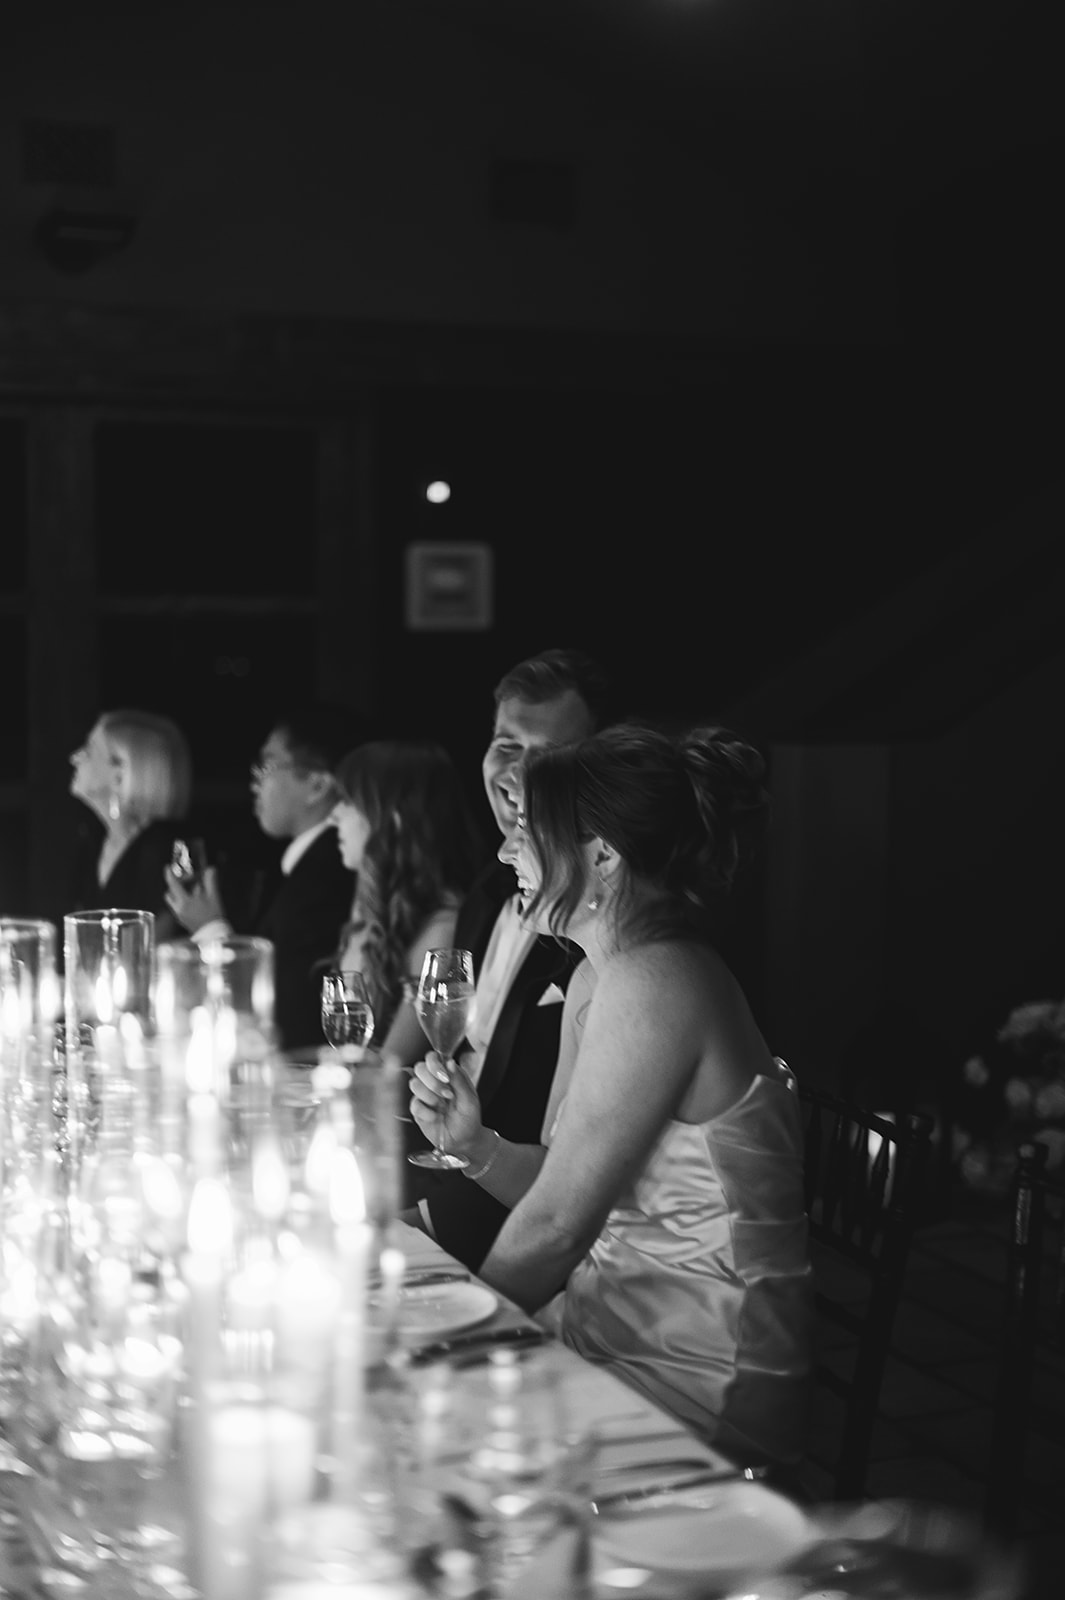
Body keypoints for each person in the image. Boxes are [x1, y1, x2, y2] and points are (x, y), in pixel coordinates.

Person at [409, 723, 814, 1470]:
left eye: (528, 834)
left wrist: (448, 1346)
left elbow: (560, 1226)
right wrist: (477, 1149)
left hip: (696, 1373)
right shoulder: (602, 976)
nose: (505, 853)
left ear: (600, 855)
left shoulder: (655, 982)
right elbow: (571, 1190)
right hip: (609, 1328)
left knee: (438, 1448)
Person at [403, 646, 617, 1268]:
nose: (517, 771)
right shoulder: (484, 893)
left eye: (545, 757)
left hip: (522, 1223)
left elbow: (571, 1200)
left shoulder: (614, 959)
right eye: (506, 743)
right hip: (473, 1168)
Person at [164, 703, 356, 1055]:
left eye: (267, 765)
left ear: (316, 784)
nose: (255, 781)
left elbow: (291, 1012)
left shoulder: (329, 875)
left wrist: (211, 929)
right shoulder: (304, 868)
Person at [329, 739, 485, 1071]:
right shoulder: (371, 910)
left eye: (347, 801)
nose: (333, 815)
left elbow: (390, 1071)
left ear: (394, 817)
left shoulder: (441, 928)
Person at [69, 709, 193, 942]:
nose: (75, 757)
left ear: (121, 773)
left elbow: (153, 952)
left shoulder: (166, 850)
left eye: (89, 750)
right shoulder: (93, 840)